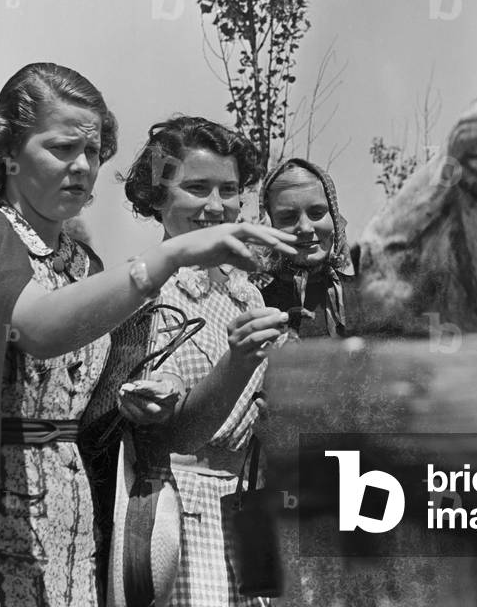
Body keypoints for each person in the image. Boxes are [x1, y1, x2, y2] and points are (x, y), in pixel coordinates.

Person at [0, 64, 295, 607]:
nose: (82, 167)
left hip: (77, 525)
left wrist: (143, 409)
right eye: (63, 148)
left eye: (93, 153)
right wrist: (174, 253)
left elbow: (104, 421)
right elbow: (35, 328)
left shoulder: (84, 266)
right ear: (8, 150)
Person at [115, 115, 290, 607]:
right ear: (157, 196)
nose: (215, 206)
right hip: (176, 514)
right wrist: (236, 362)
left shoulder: (248, 293)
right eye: (196, 188)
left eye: (229, 189)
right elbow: (169, 432)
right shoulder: (144, 290)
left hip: (247, 514)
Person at [257, 157, 357, 339]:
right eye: (288, 217)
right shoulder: (257, 306)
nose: (305, 227)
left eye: (317, 213)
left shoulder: (368, 299)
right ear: (270, 226)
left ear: (335, 218)